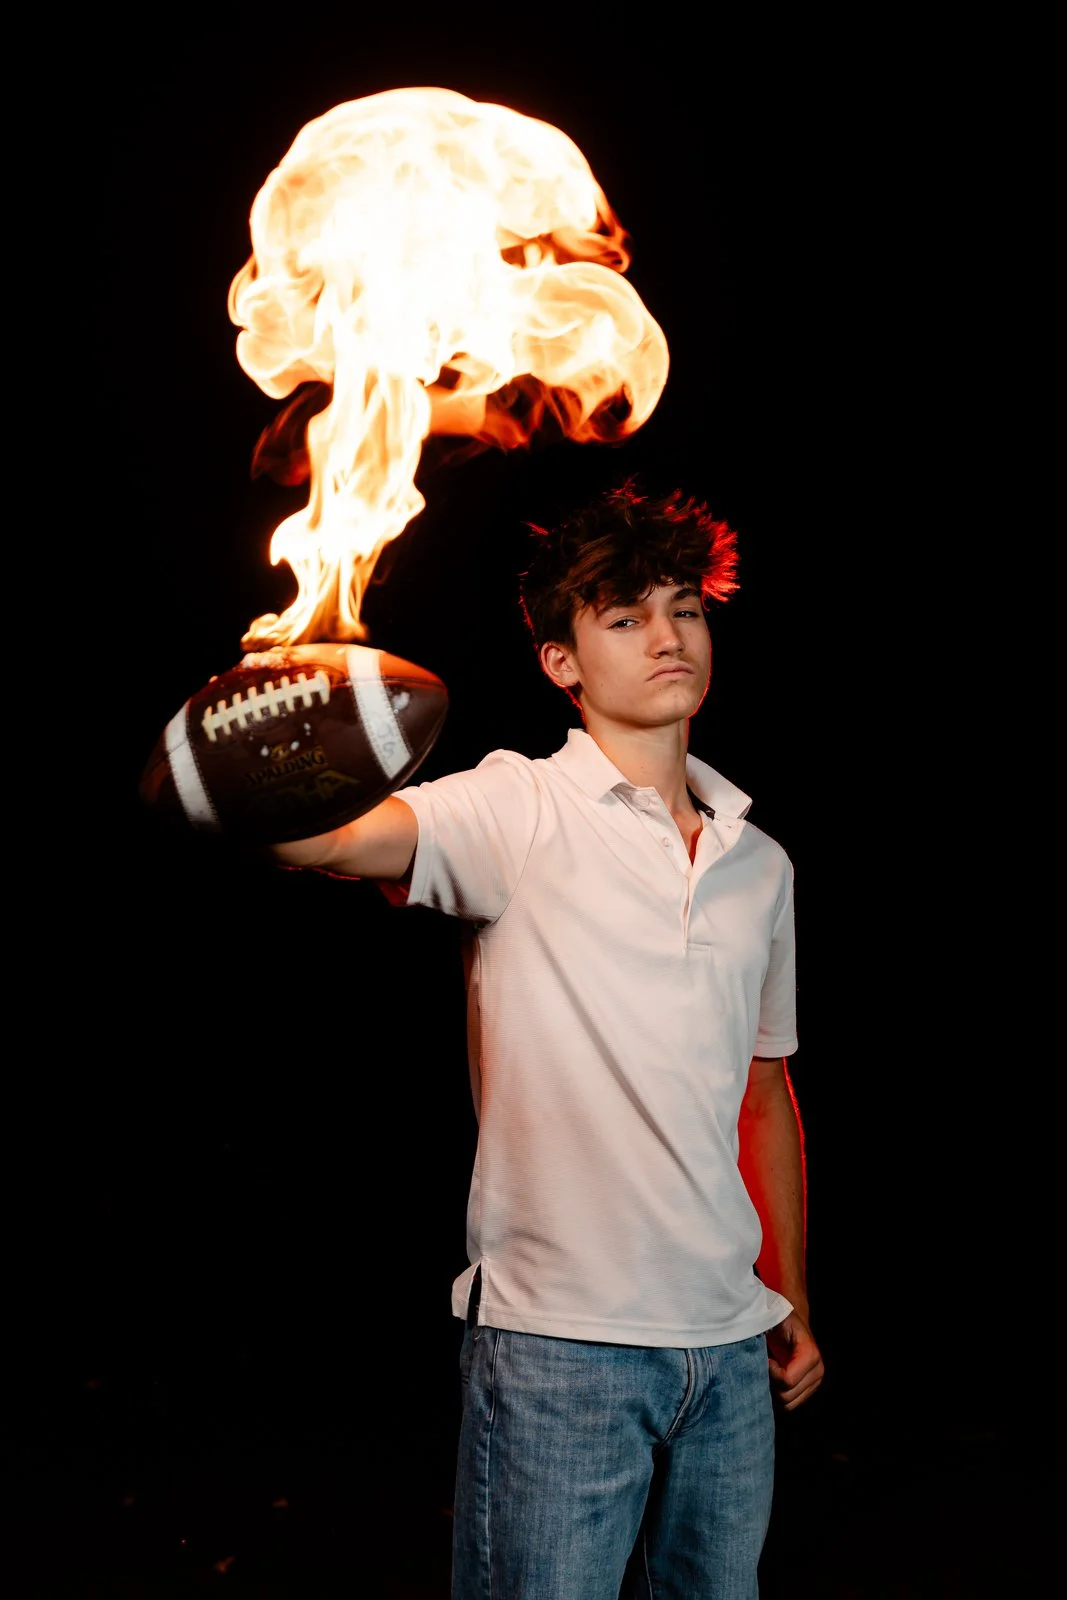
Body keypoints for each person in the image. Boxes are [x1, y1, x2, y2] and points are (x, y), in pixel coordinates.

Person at [269, 474, 824, 1598]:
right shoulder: (513, 808)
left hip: (724, 1345)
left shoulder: (758, 866)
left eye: (685, 607)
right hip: (558, 1345)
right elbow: (326, 846)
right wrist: (278, 716)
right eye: (624, 617)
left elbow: (760, 1095)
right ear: (560, 664)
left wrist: (788, 1294)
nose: (666, 636)